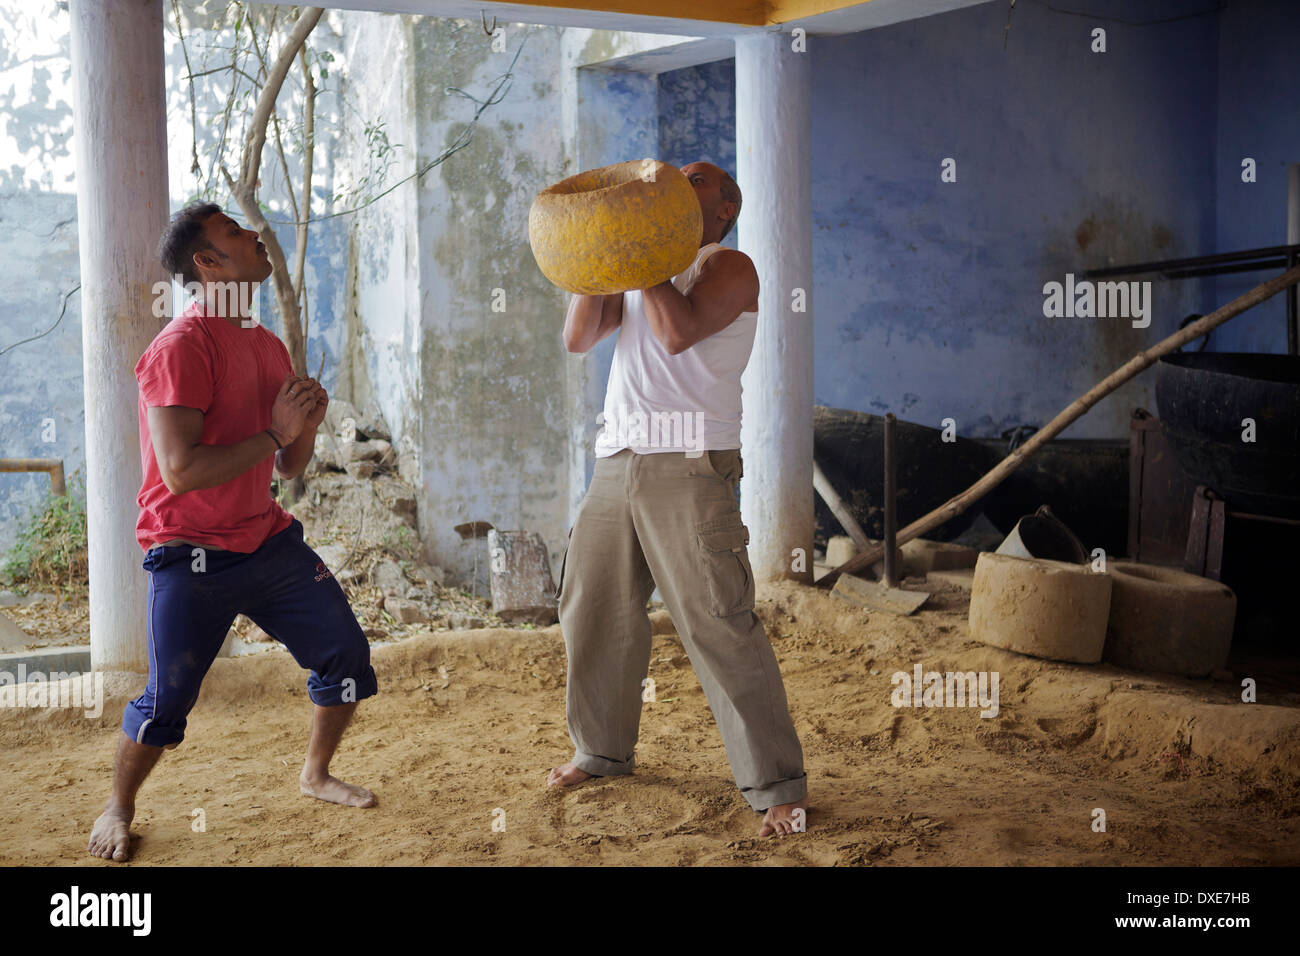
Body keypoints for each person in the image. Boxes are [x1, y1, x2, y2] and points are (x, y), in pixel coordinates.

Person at [87, 204, 379, 863]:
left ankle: (316, 775)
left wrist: (305, 427)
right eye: (231, 233)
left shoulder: (265, 342)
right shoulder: (181, 349)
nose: (253, 233)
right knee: (167, 701)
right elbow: (182, 470)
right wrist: (278, 431)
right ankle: (119, 806)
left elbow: (289, 468)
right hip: (187, 553)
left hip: (267, 542)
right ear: (209, 264)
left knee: (346, 658)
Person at [548, 162, 809, 836]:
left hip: (690, 462)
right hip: (618, 459)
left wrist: (641, 252)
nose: (670, 181)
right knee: (592, 610)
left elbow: (676, 332)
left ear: (724, 208)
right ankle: (600, 751)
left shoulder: (731, 267)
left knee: (719, 620)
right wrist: (600, 255)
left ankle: (777, 785)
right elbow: (579, 338)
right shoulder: (641, 266)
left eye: (694, 179)